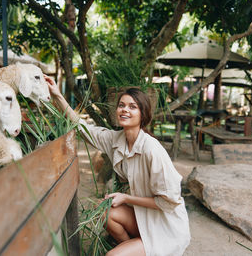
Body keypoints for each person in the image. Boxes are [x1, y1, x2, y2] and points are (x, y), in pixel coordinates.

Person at [45, 75, 191, 256]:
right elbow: (82, 128)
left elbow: (169, 201)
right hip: (143, 217)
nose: (125, 110)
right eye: (121, 105)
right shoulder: (117, 139)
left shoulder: (152, 149)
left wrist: (126, 198)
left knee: (112, 255)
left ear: (143, 114)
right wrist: (57, 95)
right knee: (104, 211)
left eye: (132, 107)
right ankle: (134, 249)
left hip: (165, 226)